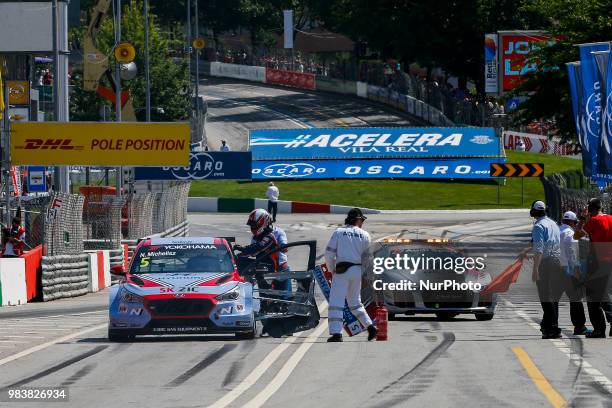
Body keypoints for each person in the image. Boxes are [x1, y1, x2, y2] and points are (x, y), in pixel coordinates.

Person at [325, 208, 377, 342]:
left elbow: (329, 254)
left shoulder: (339, 232)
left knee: (336, 302)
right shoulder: (365, 235)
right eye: (362, 220)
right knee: (355, 303)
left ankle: (336, 333)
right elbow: (368, 259)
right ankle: (370, 327)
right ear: (358, 220)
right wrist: (367, 276)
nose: (362, 223)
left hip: (342, 271)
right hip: (357, 272)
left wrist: (332, 269)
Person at [574, 198, 612, 338]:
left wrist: (583, 219)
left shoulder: (594, 221)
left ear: (590, 209)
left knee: (593, 298)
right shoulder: (610, 218)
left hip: (597, 261)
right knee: (602, 293)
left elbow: (577, 234)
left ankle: (599, 329)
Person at [530, 200, 562, 339]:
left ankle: (553, 327)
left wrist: (535, 268)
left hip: (546, 263)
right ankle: (549, 326)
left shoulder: (539, 226)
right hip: (557, 261)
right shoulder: (553, 223)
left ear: (535, 210)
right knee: (552, 297)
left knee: (545, 297)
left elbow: (539, 249)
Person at [559, 211, 590, 335]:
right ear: (572, 222)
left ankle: (551, 325)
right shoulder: (570, 234)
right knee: (576, 299)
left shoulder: (557, 231)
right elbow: (572, 253)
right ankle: (579, 326)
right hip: (568, 271)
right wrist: (577, 270)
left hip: (555, 269)